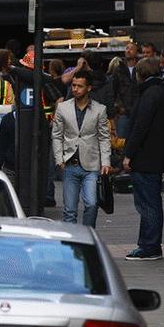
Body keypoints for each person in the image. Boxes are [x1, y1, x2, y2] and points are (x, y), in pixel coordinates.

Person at [123, 57, 164, 260]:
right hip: (156, 156)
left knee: (147, 204)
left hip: (145, 158)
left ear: (140, 75)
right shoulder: (162, 93)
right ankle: (150, 244)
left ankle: (149, 245)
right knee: (152, 202)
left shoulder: (149, 95)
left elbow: (139, 127)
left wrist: (128, 154)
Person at [51, 70, 112, 227]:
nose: (75, 89)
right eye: (73, 85)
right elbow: (57, 135)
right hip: (70, 164)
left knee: (91, 204)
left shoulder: (100, 109)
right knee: (69, 210)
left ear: (89, 88)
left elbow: (104, 137)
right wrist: (59, 159)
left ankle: (88, 239)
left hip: (91, 165)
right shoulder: (63, 108)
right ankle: (71, 245)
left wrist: (105, 162)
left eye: (79, 86)